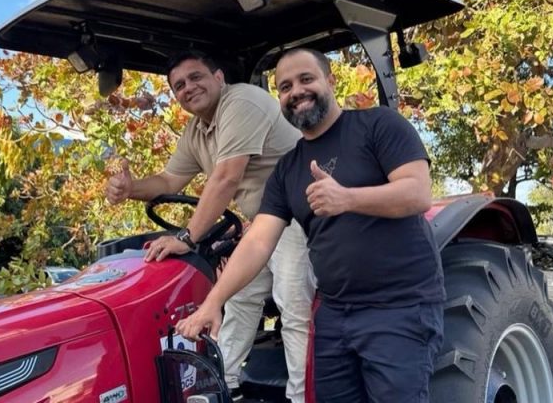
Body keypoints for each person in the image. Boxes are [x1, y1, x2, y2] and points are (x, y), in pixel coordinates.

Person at [176, 47, 445, 403]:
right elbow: (257, 241)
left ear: (330, 81)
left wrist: (347, 198)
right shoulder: (288, 168)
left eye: (306, 79)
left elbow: (418, 193)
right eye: (285, 87)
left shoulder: (378, 125)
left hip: (398, 307)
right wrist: (213, 302)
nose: (296, 91)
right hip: (336, 314)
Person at [105, 49, 315, 403]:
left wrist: (187, 237)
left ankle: (302, 396)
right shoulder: (197, 130)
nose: (189, 88)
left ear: (218, 77)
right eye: (179, 85)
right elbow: (170, 180)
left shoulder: (243, 101)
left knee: (292, 305)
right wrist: (131, 189)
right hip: (265, 224)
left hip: (300, 215)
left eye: (196, 77)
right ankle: (223, 385)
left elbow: (225, 178)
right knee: (241, 297)